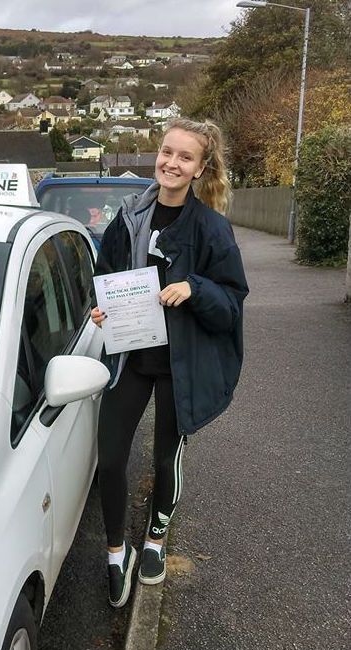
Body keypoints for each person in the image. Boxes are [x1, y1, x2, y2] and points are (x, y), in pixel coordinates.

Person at [90, 118, 249, 608]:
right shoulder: (129, 218)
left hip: (183, 366)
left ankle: (156, 540)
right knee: (111, 457)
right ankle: (117, 550)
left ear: (200, 169)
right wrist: (98, 309)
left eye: (185, 157)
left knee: (165, 457)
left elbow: (231, 305)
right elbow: (105, 275)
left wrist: (194, 288)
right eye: (167, 152)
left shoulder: (211, 228)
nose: (171, 163)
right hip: (131, 358)